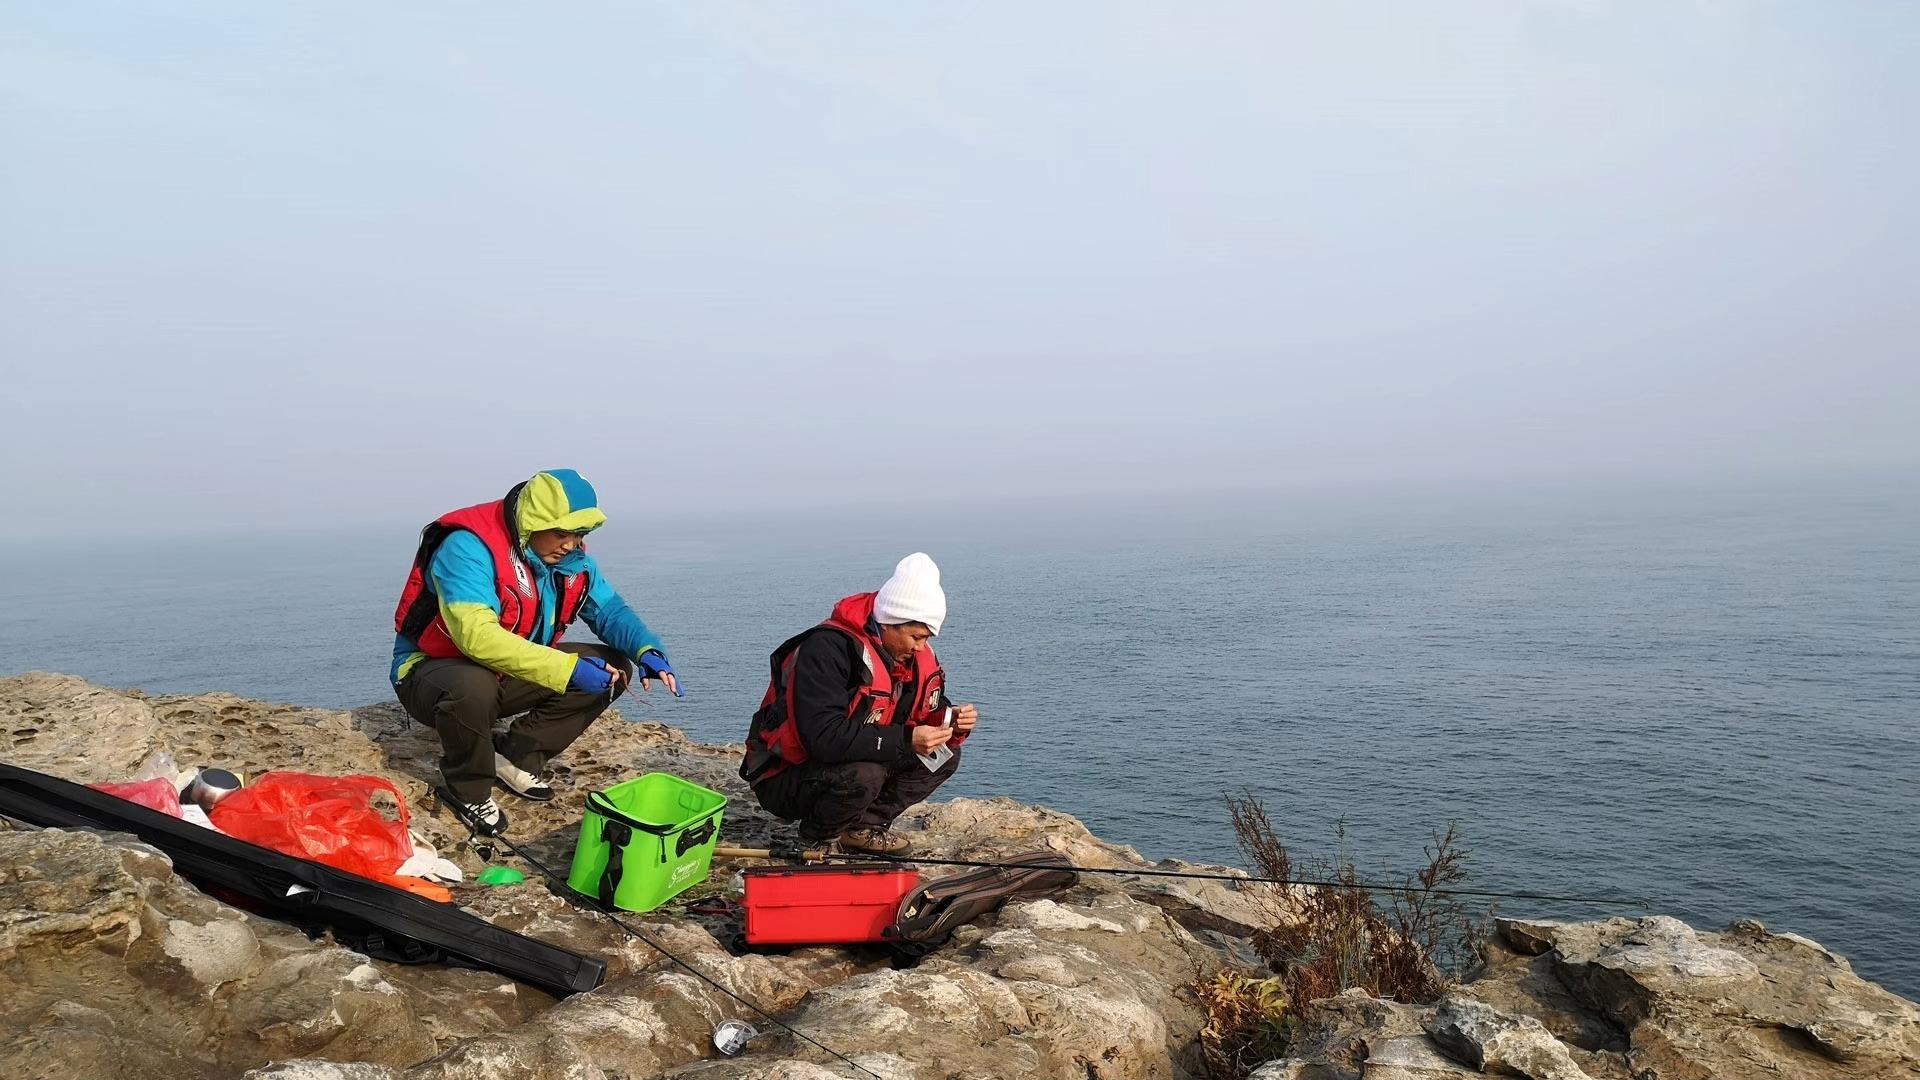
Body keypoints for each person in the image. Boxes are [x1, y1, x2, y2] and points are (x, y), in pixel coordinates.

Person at [390, 468, 680, 836]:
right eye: (563, 532)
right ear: (533, 521)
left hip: (500, 672)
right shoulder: (467, 547)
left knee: (612, 667)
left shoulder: (568, 561)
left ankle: (512, 756)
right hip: (432, 672)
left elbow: (609, 610)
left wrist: (647, 649)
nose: (571, 544)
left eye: (579, 534)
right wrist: (567, 669)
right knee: (471, 687)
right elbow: (475, 638)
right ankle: (469, 789)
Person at [740, 553, 979, 855]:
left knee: (944, 755)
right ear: (891, 621)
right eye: (916, 636)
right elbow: (823, 738)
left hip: (852, 759)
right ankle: (815, 839)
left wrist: (950, 718)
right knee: (865, 774)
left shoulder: (909, 656)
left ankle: (862, 828)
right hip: (787, 777)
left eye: (926, 638)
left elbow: (918, 706)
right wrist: (907, 739)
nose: (921, 647)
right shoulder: (828, 649)